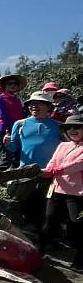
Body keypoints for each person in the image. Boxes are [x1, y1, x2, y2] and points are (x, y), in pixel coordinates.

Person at [6, 91, 61, 228]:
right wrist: (7, 143)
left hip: (49, 172)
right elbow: (13, 148)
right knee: (24, 203)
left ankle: (45, 234)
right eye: (32, 103)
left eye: (39, 103)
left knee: (46, 205)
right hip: (26, 172)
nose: (34, 106)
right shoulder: (19, 124)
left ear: (49, 106)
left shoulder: (58, 126)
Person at [39, 114, 83, 272]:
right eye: (69, 127)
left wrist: (51, 171)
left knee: (76, 226)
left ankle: (79, 261)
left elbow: (76, 165)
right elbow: (52, 163)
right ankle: (40, 252)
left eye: (77, 127)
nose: (73, 130)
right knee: (49, 221)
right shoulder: (63, 145)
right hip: (57, 189)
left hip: (78, 194)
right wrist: (44, 171)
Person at [0, 74, 27, 170]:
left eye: (15, 84)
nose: (13, 85)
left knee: (17, 156)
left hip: (17, 130)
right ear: (4, 86)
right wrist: (13, 128)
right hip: (5, 130)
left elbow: (22, 115)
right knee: (6, 157)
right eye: (9, 83)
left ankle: (13, 180)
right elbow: (3, 115)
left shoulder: (17, 100)